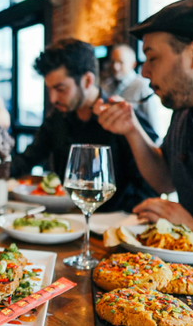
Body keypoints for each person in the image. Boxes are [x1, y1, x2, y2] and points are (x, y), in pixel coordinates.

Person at [94, 0, 193, 232]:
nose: (144, 72)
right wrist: (131, 129)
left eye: (153, 58)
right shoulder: (184, 111)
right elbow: (165, 179)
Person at [10, 38, 158, 213]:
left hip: (114, 226)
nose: (53, 99)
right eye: (50, 89)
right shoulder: (57, 119)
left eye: (61, 89)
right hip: (68, 220)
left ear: (88, 80)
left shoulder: (124, 119)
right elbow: (26, 160)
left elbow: (151, 185)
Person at [101, 44, 161, 136]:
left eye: (120, 62)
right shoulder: (106, 85)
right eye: (113, 62)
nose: (115, 67)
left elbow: (153, 125)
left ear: (133, 64)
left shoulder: (142, 86)